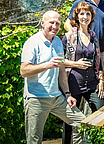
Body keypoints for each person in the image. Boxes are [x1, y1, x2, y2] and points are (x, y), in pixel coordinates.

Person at [20, 11, 84, 144]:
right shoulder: (32, 42)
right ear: (42, 23)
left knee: (81, 122)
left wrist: (67, 93)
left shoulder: (58, 42)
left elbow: (61, 69)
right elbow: (24, 71)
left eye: (57, 23)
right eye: (51, 23)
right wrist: (46, 65)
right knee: (34, 140)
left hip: (56, 97)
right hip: (36, 98)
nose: (54, 26)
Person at [61, 2, 104, 144]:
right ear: (77, 17)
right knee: (69, 120)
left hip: (92, 83)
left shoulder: (93, 36)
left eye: (88, 14)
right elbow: (59, 61)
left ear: (92, 17)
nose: (85, 17)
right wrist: (76, 64)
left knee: (101, 111)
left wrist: (101, 80)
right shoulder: (69, 36)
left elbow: (98, 59)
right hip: (74, 83)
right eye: (82, 14)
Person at [65, 0, 104, 68]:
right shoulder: (80, 3)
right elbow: (67, 23)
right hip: (82, 48)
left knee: (99, 75)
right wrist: (75, 36)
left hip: (100, 49)